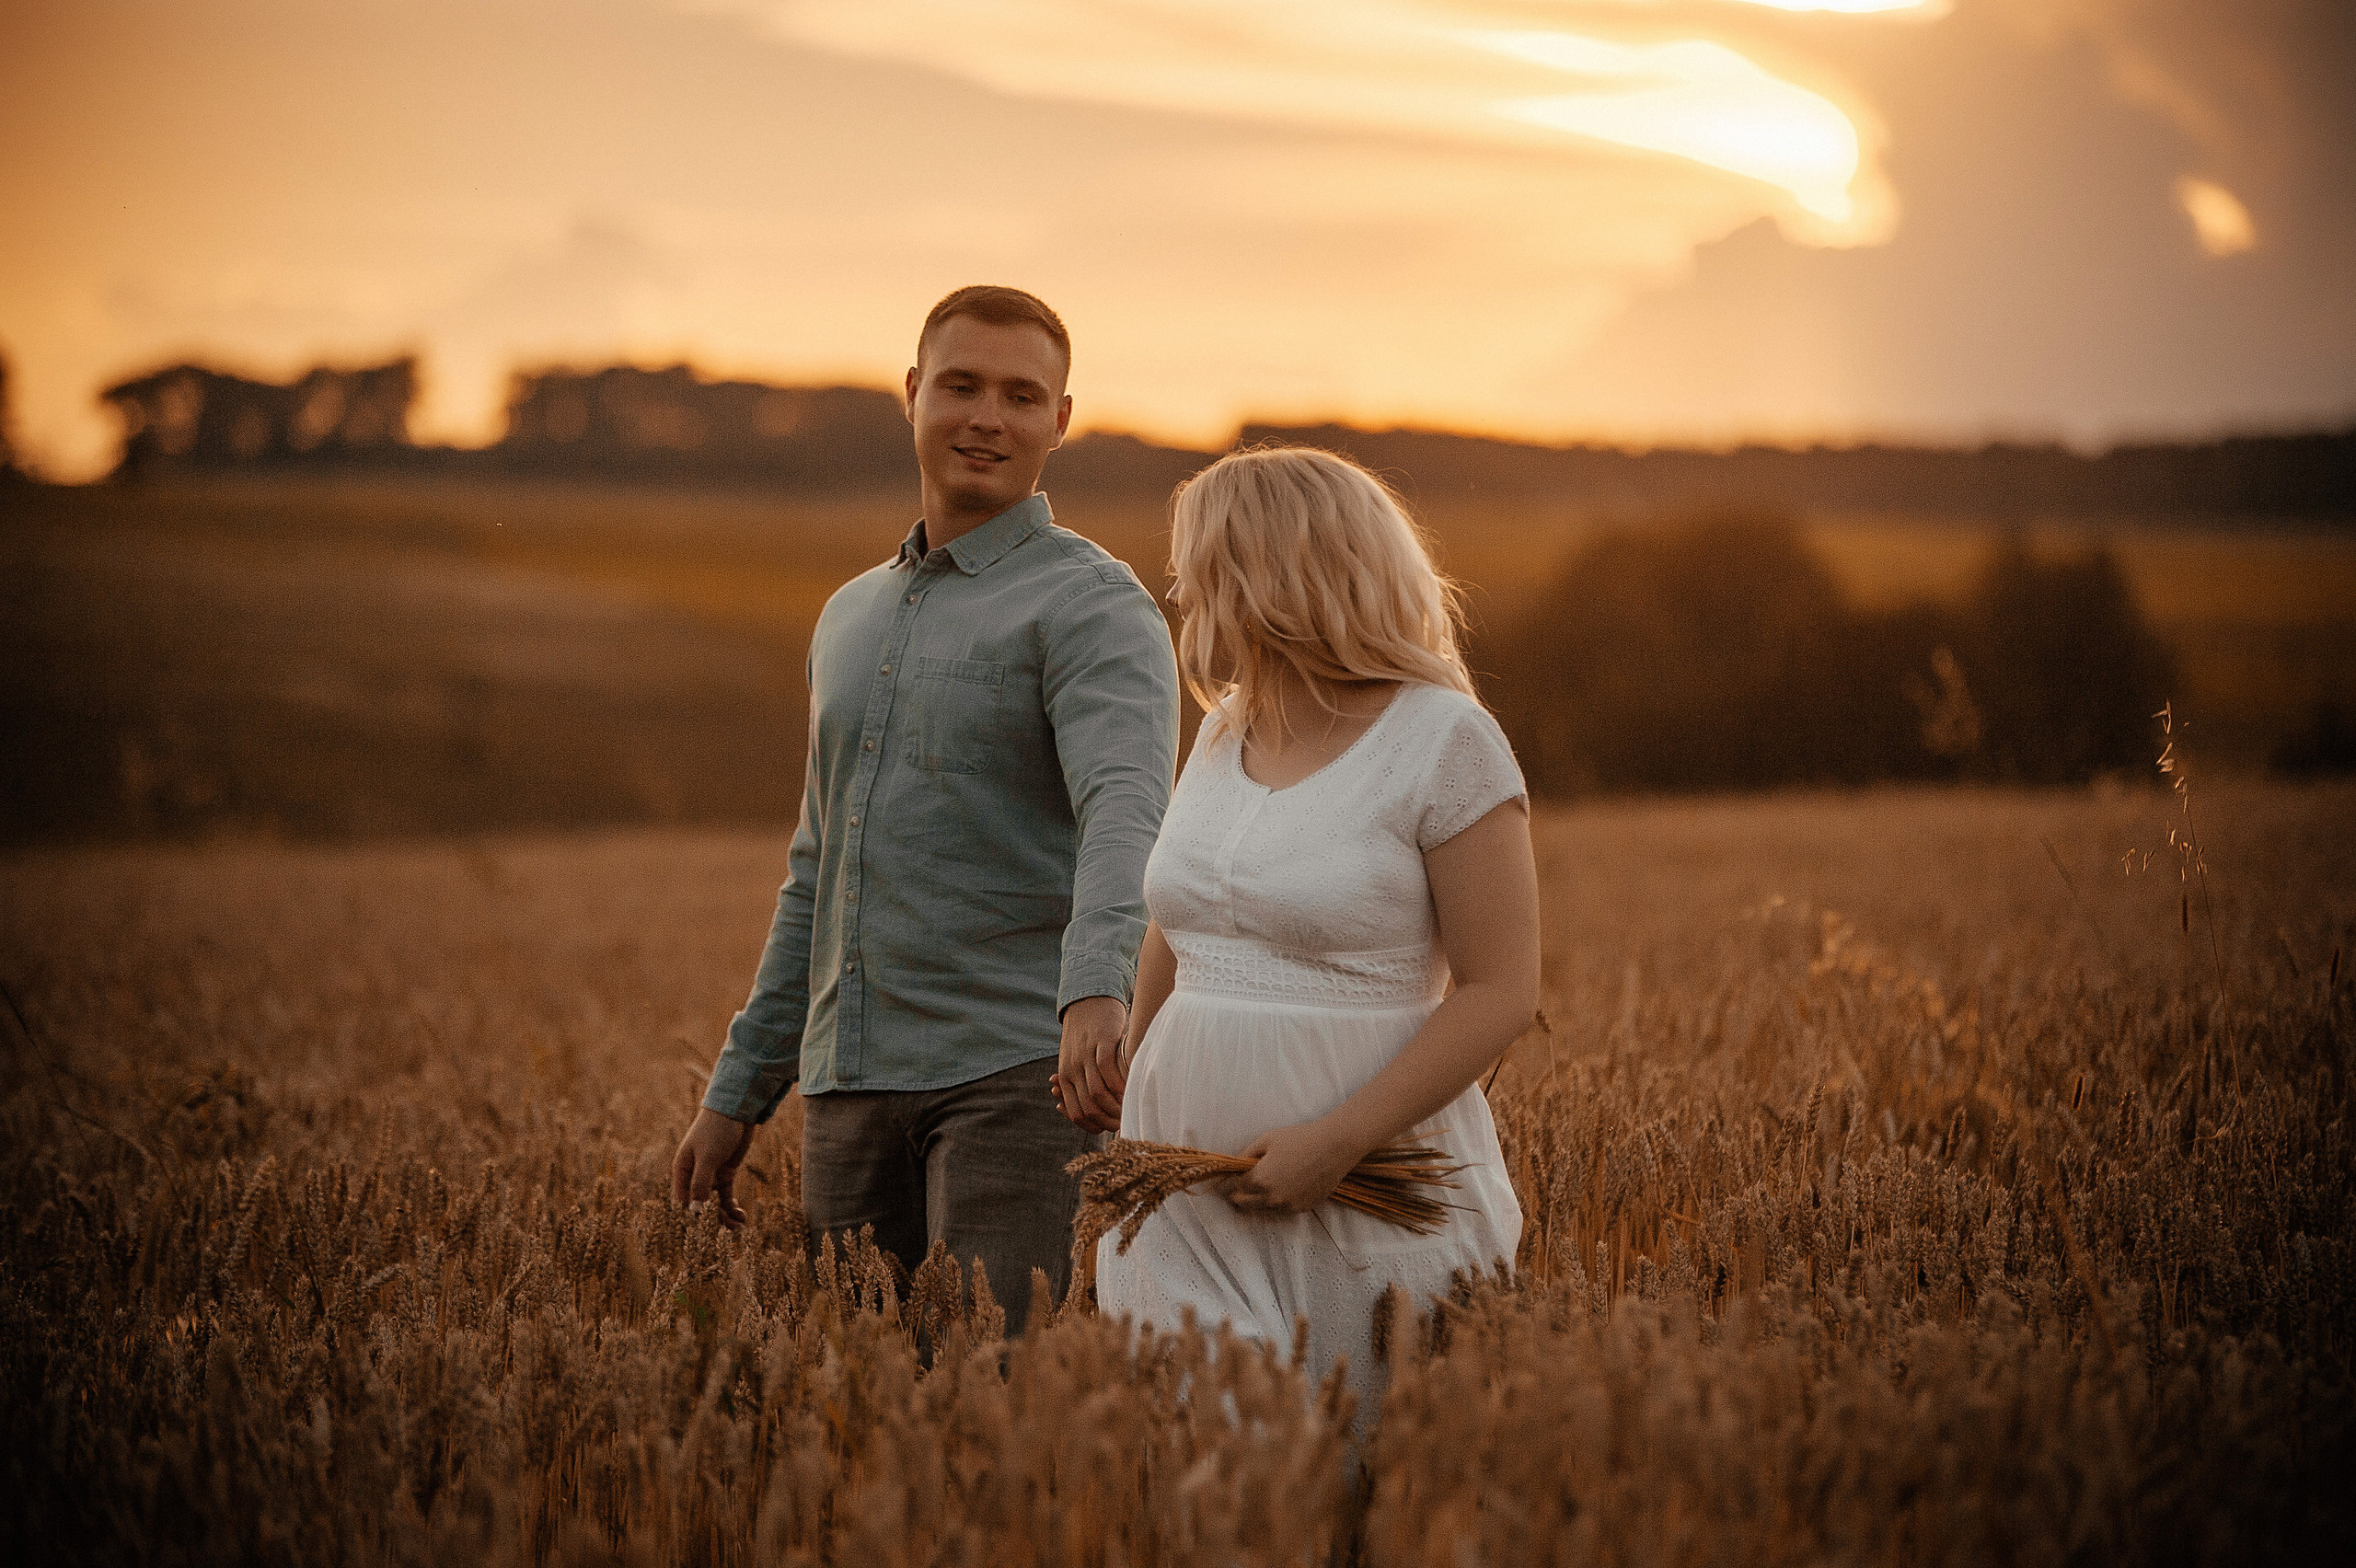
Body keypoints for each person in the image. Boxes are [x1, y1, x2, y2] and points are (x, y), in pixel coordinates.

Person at [673, 285, 1180, 1333]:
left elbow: (1127, 812)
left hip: (1018, 1078)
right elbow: (819, 868)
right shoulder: (847, 617)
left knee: (994, 1388)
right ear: (911, 394)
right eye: (961, 386)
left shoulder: (1093, 606)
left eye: (1020, 397)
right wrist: (738, 1091)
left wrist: (1099, 992)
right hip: (848, 1083)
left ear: (1060, 421)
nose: (987, 418)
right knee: (860, 1396)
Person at [1081, 445, 1539, 1408]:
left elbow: (1502, 992)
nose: (1178, 588)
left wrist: (1338, 1141)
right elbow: (1180, 922)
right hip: (1181, 1192)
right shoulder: (1224, 728)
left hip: (1369, 1191)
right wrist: (1131, 1098)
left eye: (1197, 566)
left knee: (1356, 1458)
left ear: (1268, 576)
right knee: (1210, 1452)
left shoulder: (1446, 740)